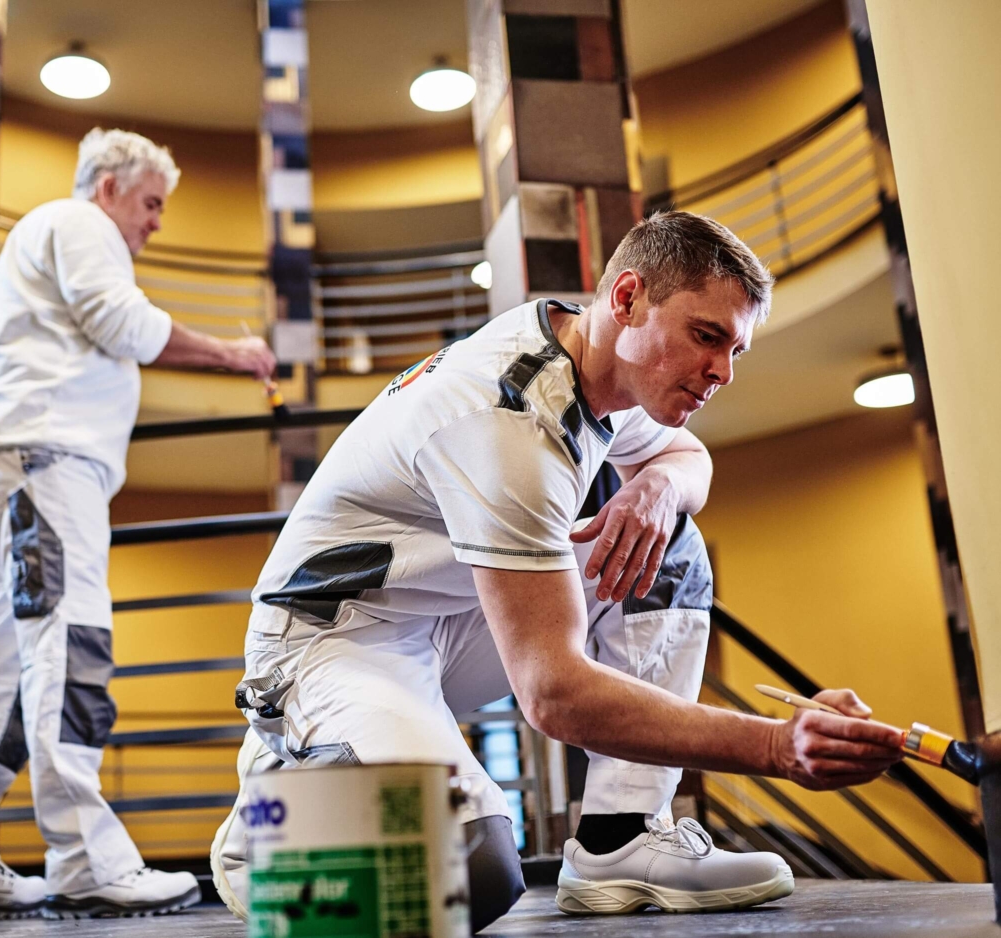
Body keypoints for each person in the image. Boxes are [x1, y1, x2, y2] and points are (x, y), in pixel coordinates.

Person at [211, 211, 905, 932]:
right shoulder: (509, 420)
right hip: (332, 642)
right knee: (467, 873)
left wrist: (657, 488)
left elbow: (685, 458)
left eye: (736, 349)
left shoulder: (597, 357)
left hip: (446, 615)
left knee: (667, 541)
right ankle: (272, 823)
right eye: (707, 337)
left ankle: (621, 837)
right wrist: (775, 745)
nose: (723, 372)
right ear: (629, 297)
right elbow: (554, 697)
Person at [0, 128, 278, 923]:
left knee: (2, 666)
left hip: (10, 461)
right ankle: (84, 857)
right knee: (69, 642)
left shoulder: (34, 245)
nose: (154, 223)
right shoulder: (80, 225)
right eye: (150, 204)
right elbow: (123, 324)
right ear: (109, 186)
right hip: (45, 461)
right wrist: (232, 354)